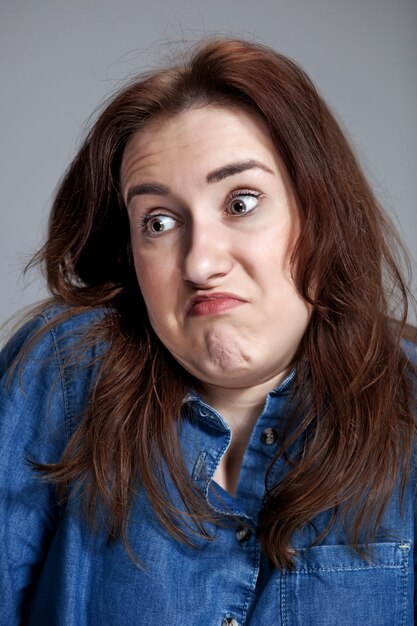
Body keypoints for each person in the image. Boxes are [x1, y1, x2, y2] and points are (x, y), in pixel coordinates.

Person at [0, 37, 416, 626]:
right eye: (159, 222)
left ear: (319, 213)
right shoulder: (61, 376)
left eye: (241, 202)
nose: (199, 263)